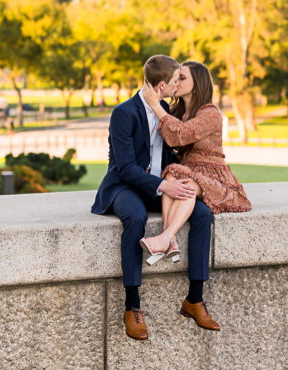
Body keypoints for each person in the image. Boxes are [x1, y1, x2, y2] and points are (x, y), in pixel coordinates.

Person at [90, 55, 214, 341]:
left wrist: (176, 182)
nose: (177, 85)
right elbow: (126, 167)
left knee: (203, 215)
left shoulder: (166, 111)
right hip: (127, 186)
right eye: (174, 81)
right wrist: (163, 187)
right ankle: (132, 305)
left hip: (161, 186)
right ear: (161, 85)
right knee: (135, 218)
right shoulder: (124, 112)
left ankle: (195, 299)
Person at [139, 61, 251, 331]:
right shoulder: (176, 110)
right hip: (185, 175)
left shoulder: (210, 112)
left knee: (183, 179)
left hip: (213, 178)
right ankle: (172, 243)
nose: (176, 81)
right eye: (176, 77)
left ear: (197, 81)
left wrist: (154, 103)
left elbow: (180, 136)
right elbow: (166, 148)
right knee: (176, 176)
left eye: (182, 77)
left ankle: (165, 239)